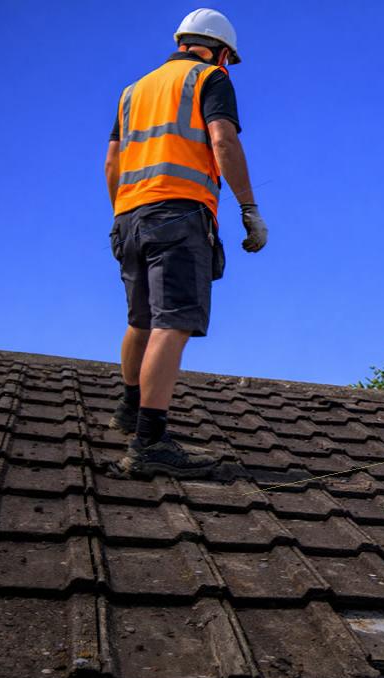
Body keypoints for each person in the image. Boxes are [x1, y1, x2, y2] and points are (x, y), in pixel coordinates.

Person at [104, 9, 268, 478]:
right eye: (229, 59)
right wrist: (248, 208)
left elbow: (112, 162)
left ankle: (130, 410)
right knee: (171, 322)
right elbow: (223, 141)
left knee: (140, 319)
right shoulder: (209, 78)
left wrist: (121, 213)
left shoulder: (133, 90)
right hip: (179, 213)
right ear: (220, 51)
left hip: (130, 214)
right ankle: (149, 442)